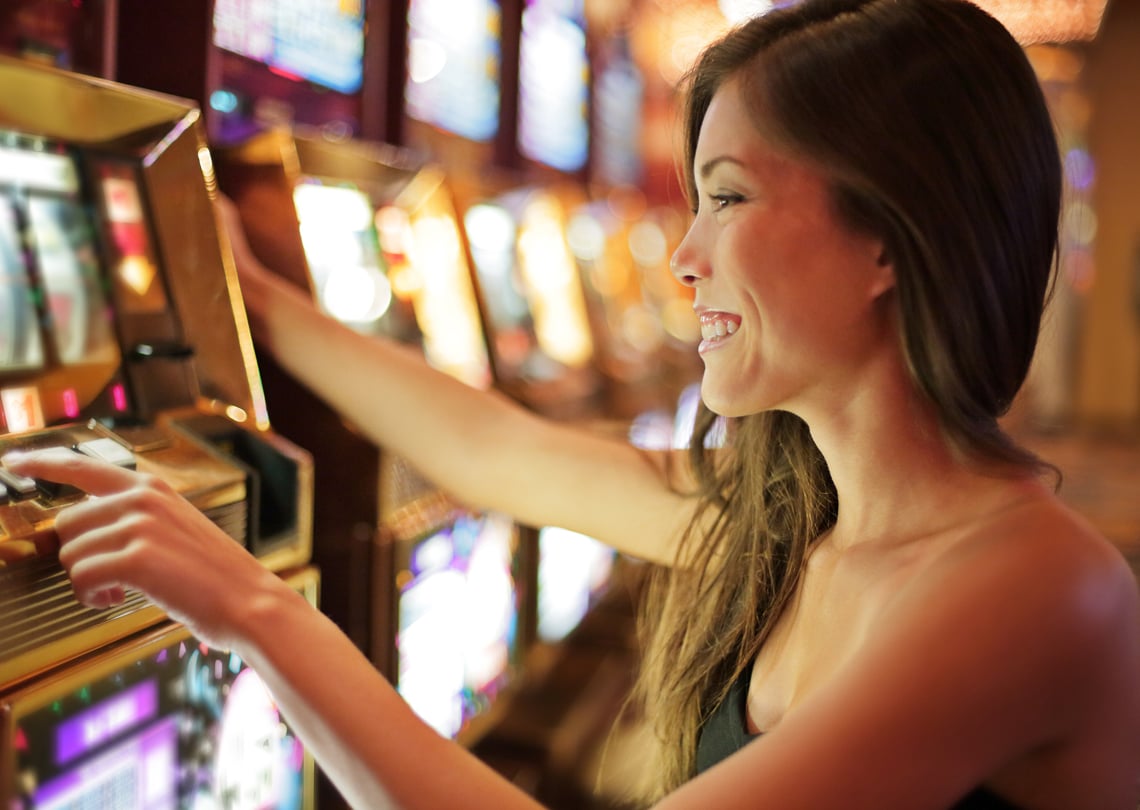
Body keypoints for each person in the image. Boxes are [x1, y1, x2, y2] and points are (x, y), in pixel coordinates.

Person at [4, 0, 1138, 806]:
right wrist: (240, 296)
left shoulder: (1039, 591)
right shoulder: (805, 514)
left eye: (728, 197)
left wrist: (259, 611)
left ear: (890, 238)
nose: (683, 256)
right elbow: (495, 449)